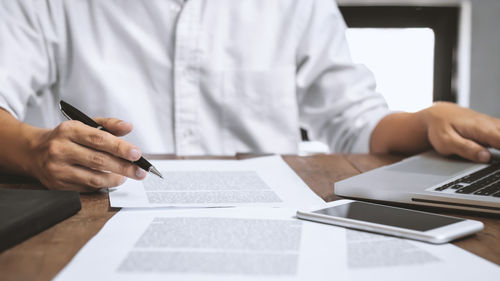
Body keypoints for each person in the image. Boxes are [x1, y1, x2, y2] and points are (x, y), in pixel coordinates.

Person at [0, 0, 499, 192]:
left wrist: (428, 119)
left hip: (273, 219)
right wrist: (32, 147)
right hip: (95, 210)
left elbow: (355, 121)